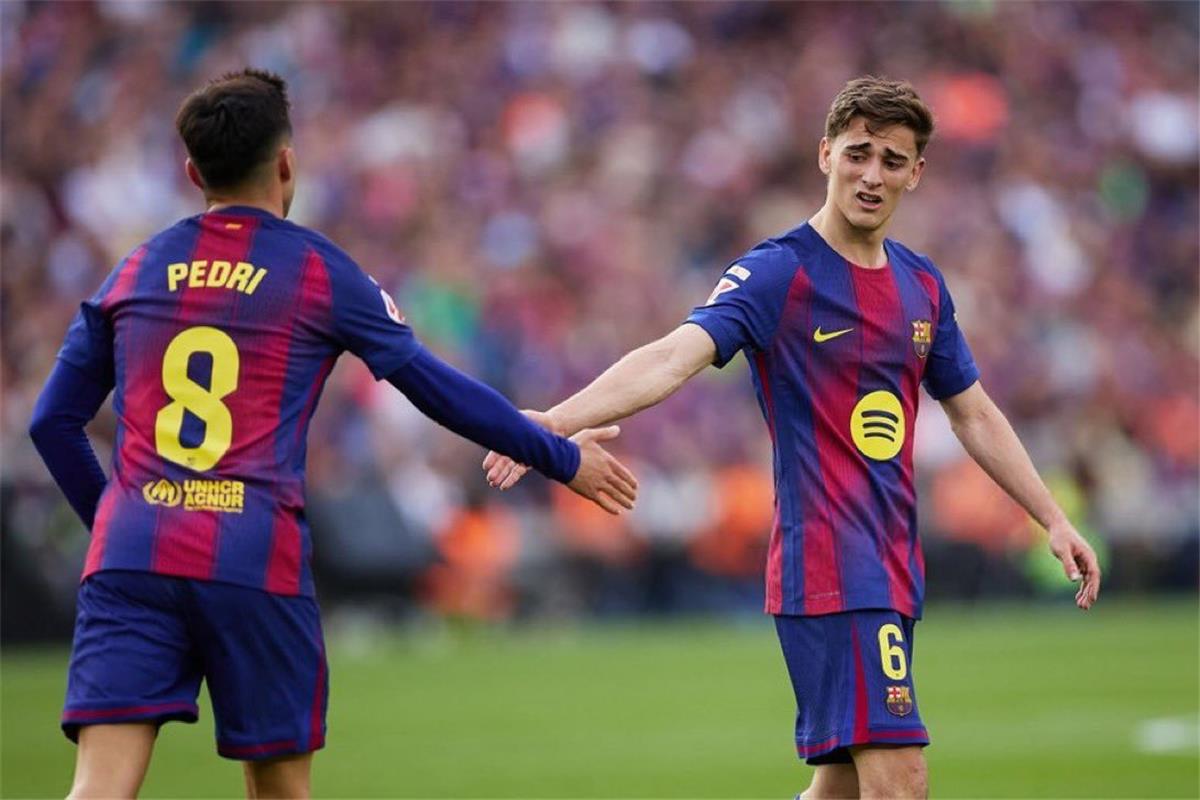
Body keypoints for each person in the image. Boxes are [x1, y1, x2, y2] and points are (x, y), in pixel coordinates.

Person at [482, 76, 1101, 799]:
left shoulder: (923, 286)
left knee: (840, 787)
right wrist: (557, 421)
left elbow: (974, 412)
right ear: (825, 154)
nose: (872, 175)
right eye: (858, 153)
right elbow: (675, 354)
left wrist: (1051, 516)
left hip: (893, 562)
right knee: (900, 782)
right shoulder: (779, 271)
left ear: (916, 174)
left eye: (893, 161)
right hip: (833, 563)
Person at [28, 68, 637, 800]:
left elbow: (51, 422)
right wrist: (560, 458)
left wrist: (116, 520)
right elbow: (434, 387)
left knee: (98, 789)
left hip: (132, 555)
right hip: (252, 556)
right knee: (280, 791)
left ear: (193, 173)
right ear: (287, 162)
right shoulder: (317, 270)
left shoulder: (136, 268)